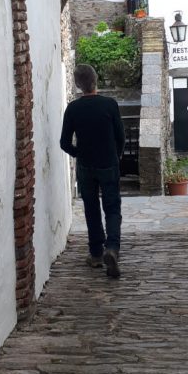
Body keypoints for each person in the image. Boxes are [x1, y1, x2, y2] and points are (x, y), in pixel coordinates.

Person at [60, 64, 125, 278]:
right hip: (108, 162)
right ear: (96, 80)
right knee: (112, 207)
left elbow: (64, 143)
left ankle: (96, 254)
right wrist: (116, 156)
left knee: (91, 208)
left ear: (78, 84)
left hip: (86, 166)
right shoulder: (109, 105)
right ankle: (112, 249)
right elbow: (120, 137)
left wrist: (79, 153)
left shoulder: (73, 109)